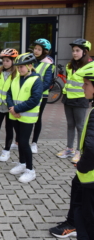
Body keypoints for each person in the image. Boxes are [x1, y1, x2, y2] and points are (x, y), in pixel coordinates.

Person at [49, 62, 94, 240]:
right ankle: (72, 224)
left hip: (89, 176)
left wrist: (82, 165)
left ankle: (75, 226)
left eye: (86, 84)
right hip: (87, 175)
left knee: (86, 221)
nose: (83, 87)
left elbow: (91, 146)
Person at [6, 53, 43, 183]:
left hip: (26, 117)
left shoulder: (36, 80)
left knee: (23, 142)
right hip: (15, 115)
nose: (19, 69)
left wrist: (16, 109)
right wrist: (11, 107)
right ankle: (22, 163)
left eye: (22, 67)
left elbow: (34, 100)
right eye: (18, 67)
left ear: (30, 66)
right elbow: (9, 94)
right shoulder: (16, 79)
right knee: (19, 141)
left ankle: (30, 170)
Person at [57, 39, 93, 164]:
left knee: (80, 126)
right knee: (70, 124)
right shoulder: (69, 65)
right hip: (68, 98)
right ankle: (69, 149)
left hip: (81, 99)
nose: (74, 53)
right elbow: (69, 82)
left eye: (77, 50)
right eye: (73, 51)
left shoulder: (91, 66)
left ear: (85, 52)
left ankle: (79, 150)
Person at [30, 38, 54, 154]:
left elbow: (47, 81)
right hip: (27, 94)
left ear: (45, 51)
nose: (36, 51)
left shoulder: (48, 63)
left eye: (39, 49)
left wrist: (36, 91)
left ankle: (34, 143)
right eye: (35, 48)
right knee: (25, 118)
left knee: (37, 119)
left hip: (41, 96)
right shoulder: (30, 60)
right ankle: (19, 141)